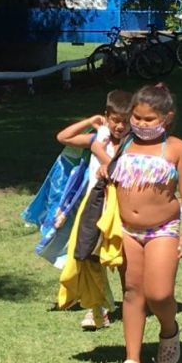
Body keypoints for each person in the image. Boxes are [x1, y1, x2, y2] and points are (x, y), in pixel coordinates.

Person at [97, 83, 182, 363]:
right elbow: (112, 170)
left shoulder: (178, 149)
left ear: (166, 118)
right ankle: (132, 359)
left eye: (148, 119)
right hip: (126, 230)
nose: (141, 124)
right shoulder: (125, 144)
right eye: (137, 118)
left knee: (159, 293)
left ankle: (169, 330)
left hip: (162, 230)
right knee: (132, 293)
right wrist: (107, 171)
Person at [54, 89, 133, 328]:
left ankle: (131, 300)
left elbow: (124, 171)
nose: (120, 126)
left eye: (125, 121)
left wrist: (102, 155)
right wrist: (89, 121)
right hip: (94, 207)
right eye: (116, 120)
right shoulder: (97, 138)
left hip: (120, 209)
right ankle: (97, 308)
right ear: (107, 116)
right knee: (90, 255)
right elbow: (63, 137)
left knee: (122, 258)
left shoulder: (133, 144)